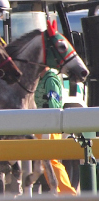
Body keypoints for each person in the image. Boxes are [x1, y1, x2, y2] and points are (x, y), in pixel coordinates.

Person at [34, 67, 77, 195]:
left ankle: (68, 193)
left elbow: (54, 104)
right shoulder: (42, 79)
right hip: (41, 125)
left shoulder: (51, 79)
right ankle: (60, 192)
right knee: (46, 162)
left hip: (49, 126)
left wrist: (51, 124)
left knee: (50, 161)